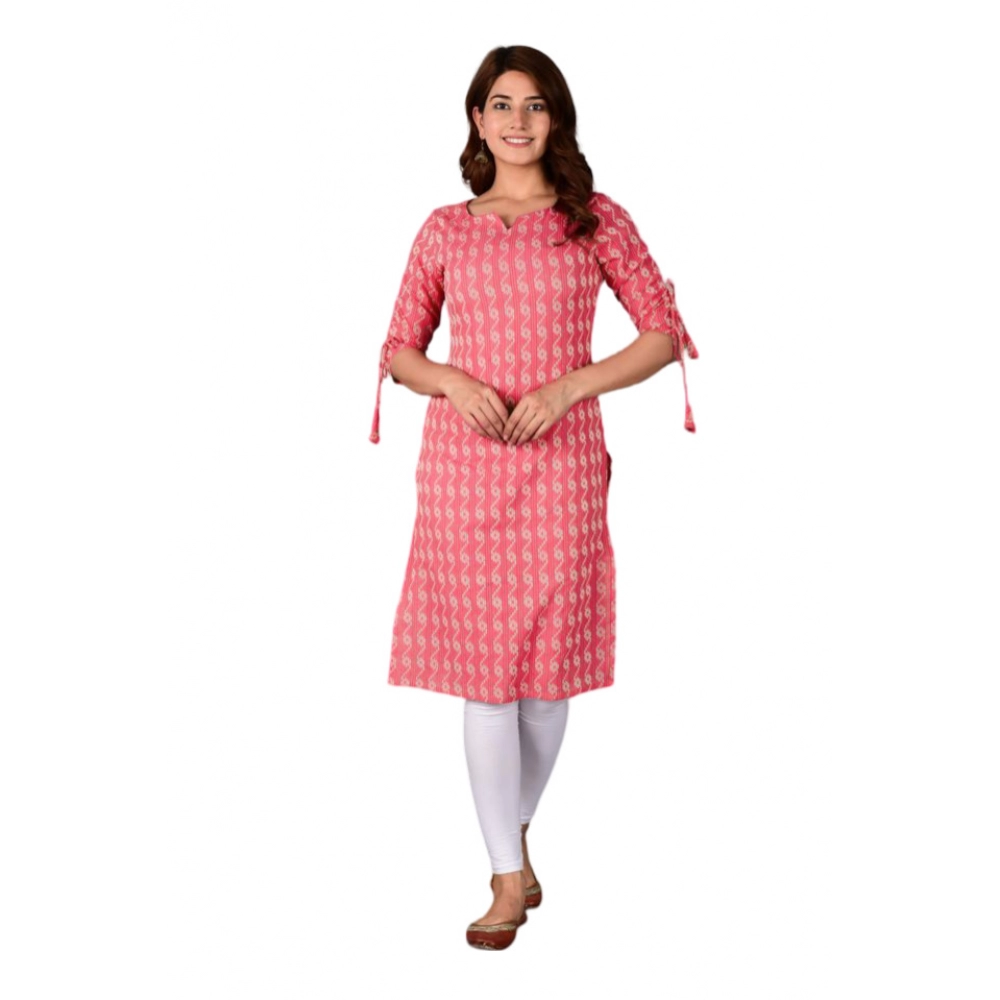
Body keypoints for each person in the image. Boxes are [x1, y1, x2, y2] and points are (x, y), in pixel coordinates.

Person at [368, 45, 698, 950]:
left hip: (562, 465)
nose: (519, 121)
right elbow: (398, 351)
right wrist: (449, 379)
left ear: (557, 119)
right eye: (502, 104)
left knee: (547, 684)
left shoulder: (597, 219)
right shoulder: (445, 229)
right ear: (477, 120)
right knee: (486, 682)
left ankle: (511, 833)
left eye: (537, 105)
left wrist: (569, 387)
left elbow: (663, 333)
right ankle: (506, 876)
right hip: (465, 469)